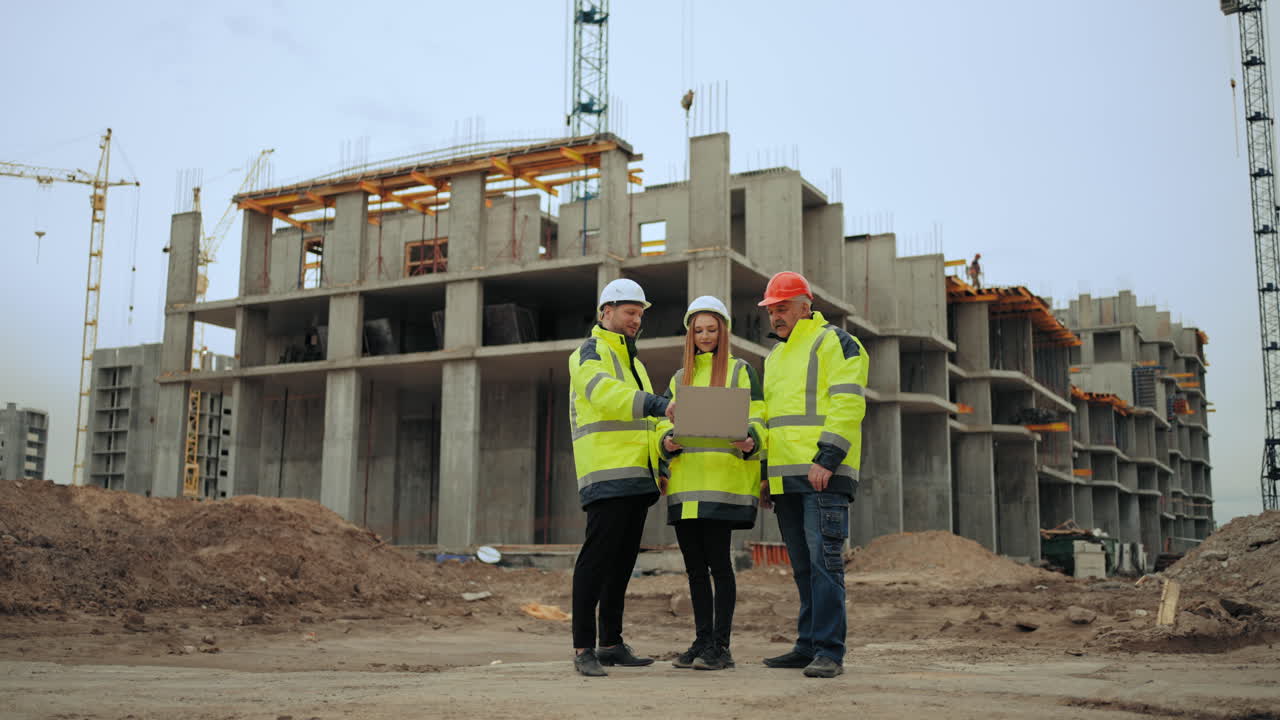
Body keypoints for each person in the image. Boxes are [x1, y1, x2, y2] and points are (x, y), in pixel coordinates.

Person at [756, 271, 869, 679]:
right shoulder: (775, 358)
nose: (776, 317)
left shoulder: (836, 342)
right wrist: (766, 476)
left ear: (806, 305)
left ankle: (829, 650)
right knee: (803, 567)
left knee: (825, 563)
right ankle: (807, 645)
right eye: (772, 310)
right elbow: (769, 420)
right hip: (786, 478)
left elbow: (848, 404)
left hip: (824, 473)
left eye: (782, 308)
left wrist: (828, 457)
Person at [567, 277, 672, 678]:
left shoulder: (637, 363)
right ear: (605, 312)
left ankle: (610, 643)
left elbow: (647, 426)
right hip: (606, 475)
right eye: (630, 312)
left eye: (640, 314)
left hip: (637, 479)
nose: (636, 320)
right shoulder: (588, 354)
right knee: (595, 563)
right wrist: (659, 404)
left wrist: (664, 452)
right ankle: (583, 648)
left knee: (622, 564)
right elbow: (606, 396)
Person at [656, 296, 766, 671]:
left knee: (719, 564)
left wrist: (752, 437)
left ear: (723, 331)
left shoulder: (741, 371)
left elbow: (761, 416)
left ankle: (721, 646)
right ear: (690, 334)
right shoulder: (678, 378)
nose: (705, 336)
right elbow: (662, 422)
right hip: (686, 485)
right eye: (698, 330)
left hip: (722, 483)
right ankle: (702, 641)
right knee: (694, 569)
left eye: (711, 329)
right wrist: (665, 441)